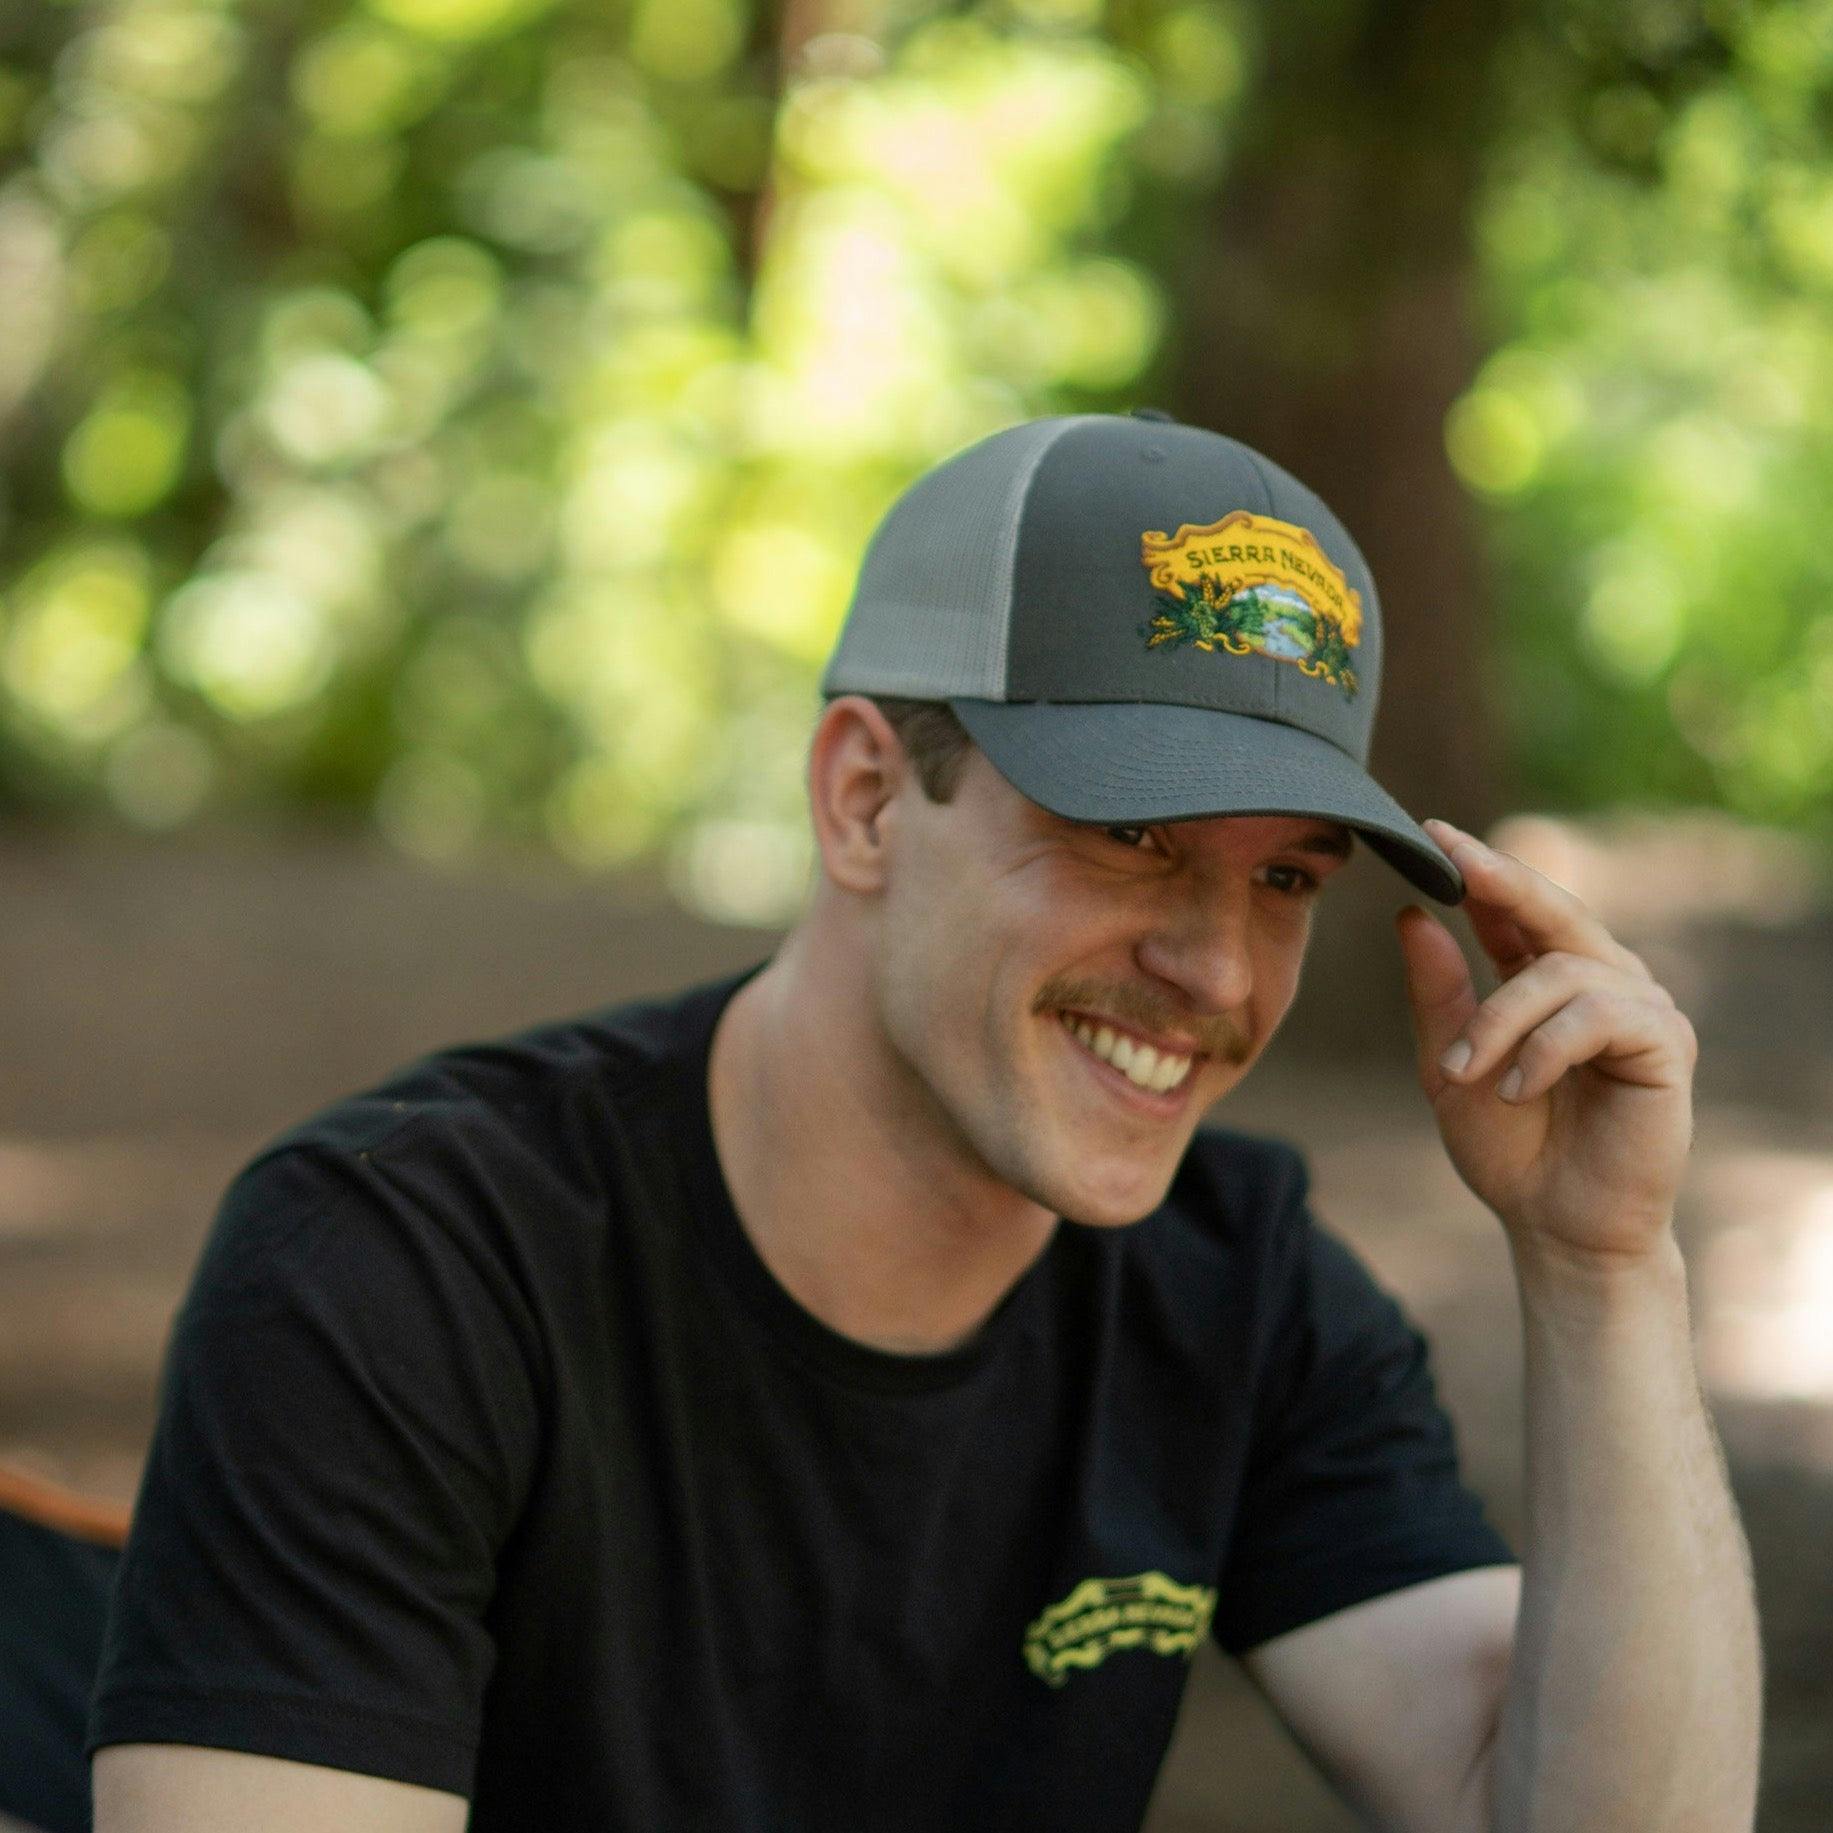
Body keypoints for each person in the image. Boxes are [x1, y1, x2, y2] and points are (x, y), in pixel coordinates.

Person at [84, 413, 1760, 1832]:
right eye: (1130, 838)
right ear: (865, 797)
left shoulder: (1236, 1288)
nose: (1212, 966)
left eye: (1281, 880)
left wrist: (1600, 1267)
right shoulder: (402, 1265)